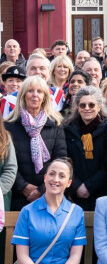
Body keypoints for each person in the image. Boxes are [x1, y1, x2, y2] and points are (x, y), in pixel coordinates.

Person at [5, 76, 67, 211]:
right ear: (23, 95)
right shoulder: (9, 126)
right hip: (18, 196)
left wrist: (42, 189)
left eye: (39, 92)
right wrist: (23, 187)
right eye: (30, 91)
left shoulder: (56, 124)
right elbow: (7, 163)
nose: (35, 95)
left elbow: (61, 159)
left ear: (45, 97)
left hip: (49, 194)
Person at [64, 86, 107, 211]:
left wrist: (89, 186)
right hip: (73, 193)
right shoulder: (67, 130)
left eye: (91, 105)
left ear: (99, 107)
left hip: (102, 193)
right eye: (82, 105)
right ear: (77, 108)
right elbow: (64, 160)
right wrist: (77, 185)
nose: (87, 108)